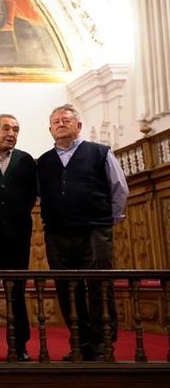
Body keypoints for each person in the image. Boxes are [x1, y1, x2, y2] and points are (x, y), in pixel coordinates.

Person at [37, 104, 127, 361]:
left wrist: (108, 220)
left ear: (78, 125)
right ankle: (80, 341)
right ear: (50, 129)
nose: (60, 124)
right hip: (57, 233)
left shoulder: (100, 152)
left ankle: (102, 343)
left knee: (99, 285)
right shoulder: (43, 161)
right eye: (55, 122)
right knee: (67, 289)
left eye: (66, 120)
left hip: (94, 231)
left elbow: (119, 188)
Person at [0, 114, 37, 362]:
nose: (11, 133)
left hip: (17, 237)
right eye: (6, 129)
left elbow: (32, 194)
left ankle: (19, 346)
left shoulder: (25, 160)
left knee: (17, 292)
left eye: (16, 129)